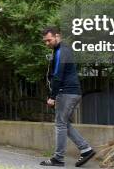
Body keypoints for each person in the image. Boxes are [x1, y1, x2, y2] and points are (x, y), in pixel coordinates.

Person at [40, 27, 95, 167]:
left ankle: (58, 158)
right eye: (45, 41)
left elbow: (58, 75)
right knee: (63, 123)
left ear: (57, 36)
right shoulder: (59, 50)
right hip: (68, 92)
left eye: (49, 40)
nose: (47, 43)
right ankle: (86, 149)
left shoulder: (62, 51)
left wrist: (52, 96)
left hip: (67, 92)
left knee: (60, 124)